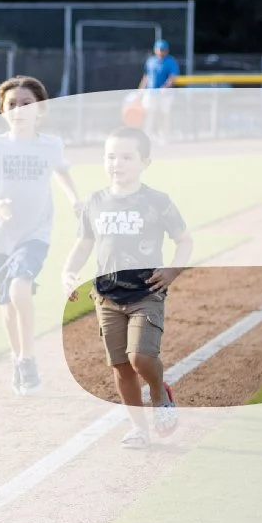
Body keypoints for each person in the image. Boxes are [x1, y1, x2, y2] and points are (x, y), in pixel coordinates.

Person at [62, 124, 192, 448]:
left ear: (145, 162)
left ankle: (160, 393)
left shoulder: (157, 201)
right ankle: (139, 428)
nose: (117, 163)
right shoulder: (95, 201)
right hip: (107, 296)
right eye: (111, 156)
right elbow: (83, 244)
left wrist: (173, 270)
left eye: (126, 157)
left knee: (140, 359)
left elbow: (184, 241)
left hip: (146, 292)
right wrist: (68, 271)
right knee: (121, 365)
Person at [0, 76, 78, 393]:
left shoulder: (51, 145)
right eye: (12, 104)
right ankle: (19, 359)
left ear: (40, 109)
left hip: (35, 235)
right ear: (2, 110)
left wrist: (75, 200)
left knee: (20, 290)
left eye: (26, 104)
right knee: (6, 304)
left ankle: (29, 357)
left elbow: (62, 172)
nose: (19, 109)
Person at [140, 35, 179, 138]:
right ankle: (147, 136)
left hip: (164, 94)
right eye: (160, 50)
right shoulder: (150, 61)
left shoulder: (171, 61)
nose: (161, 52)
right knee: (149, 114)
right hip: (150, 93)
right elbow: (146, 76)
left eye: (164, 50)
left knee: (164, 115)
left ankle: (164, 136)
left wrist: (165, 87)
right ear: (155, 50)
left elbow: (172, 77)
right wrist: (140, 90)